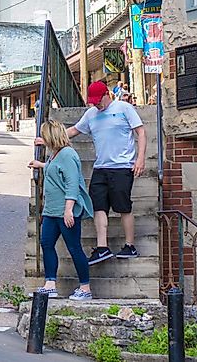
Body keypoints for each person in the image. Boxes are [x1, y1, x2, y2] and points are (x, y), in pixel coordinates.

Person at [66, 80, 146, 264]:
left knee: (123, 206)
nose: (96, 104)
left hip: (123, 166)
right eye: (92, 101)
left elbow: (141, 132)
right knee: (98, 205)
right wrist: (47, 139)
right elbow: (74, 130)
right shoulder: (91, 114)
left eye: (98, 100)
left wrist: (140, 158)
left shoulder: (124, 108)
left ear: (106, 95)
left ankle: (130, 245)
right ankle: (102, 247)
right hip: (100, 167)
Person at [28, 119, 95, 300]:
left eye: (44, 135)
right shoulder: (55, 154)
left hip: (66, 211)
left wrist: (69, 210)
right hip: (51, 211)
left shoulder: (68, 154)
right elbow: (55, 169)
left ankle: (85, 288)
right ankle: (50, 284)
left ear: (52, 136)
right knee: (46, 243)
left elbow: (72, 183)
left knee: (74, 248)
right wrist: (41, 165)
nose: (43, 139)